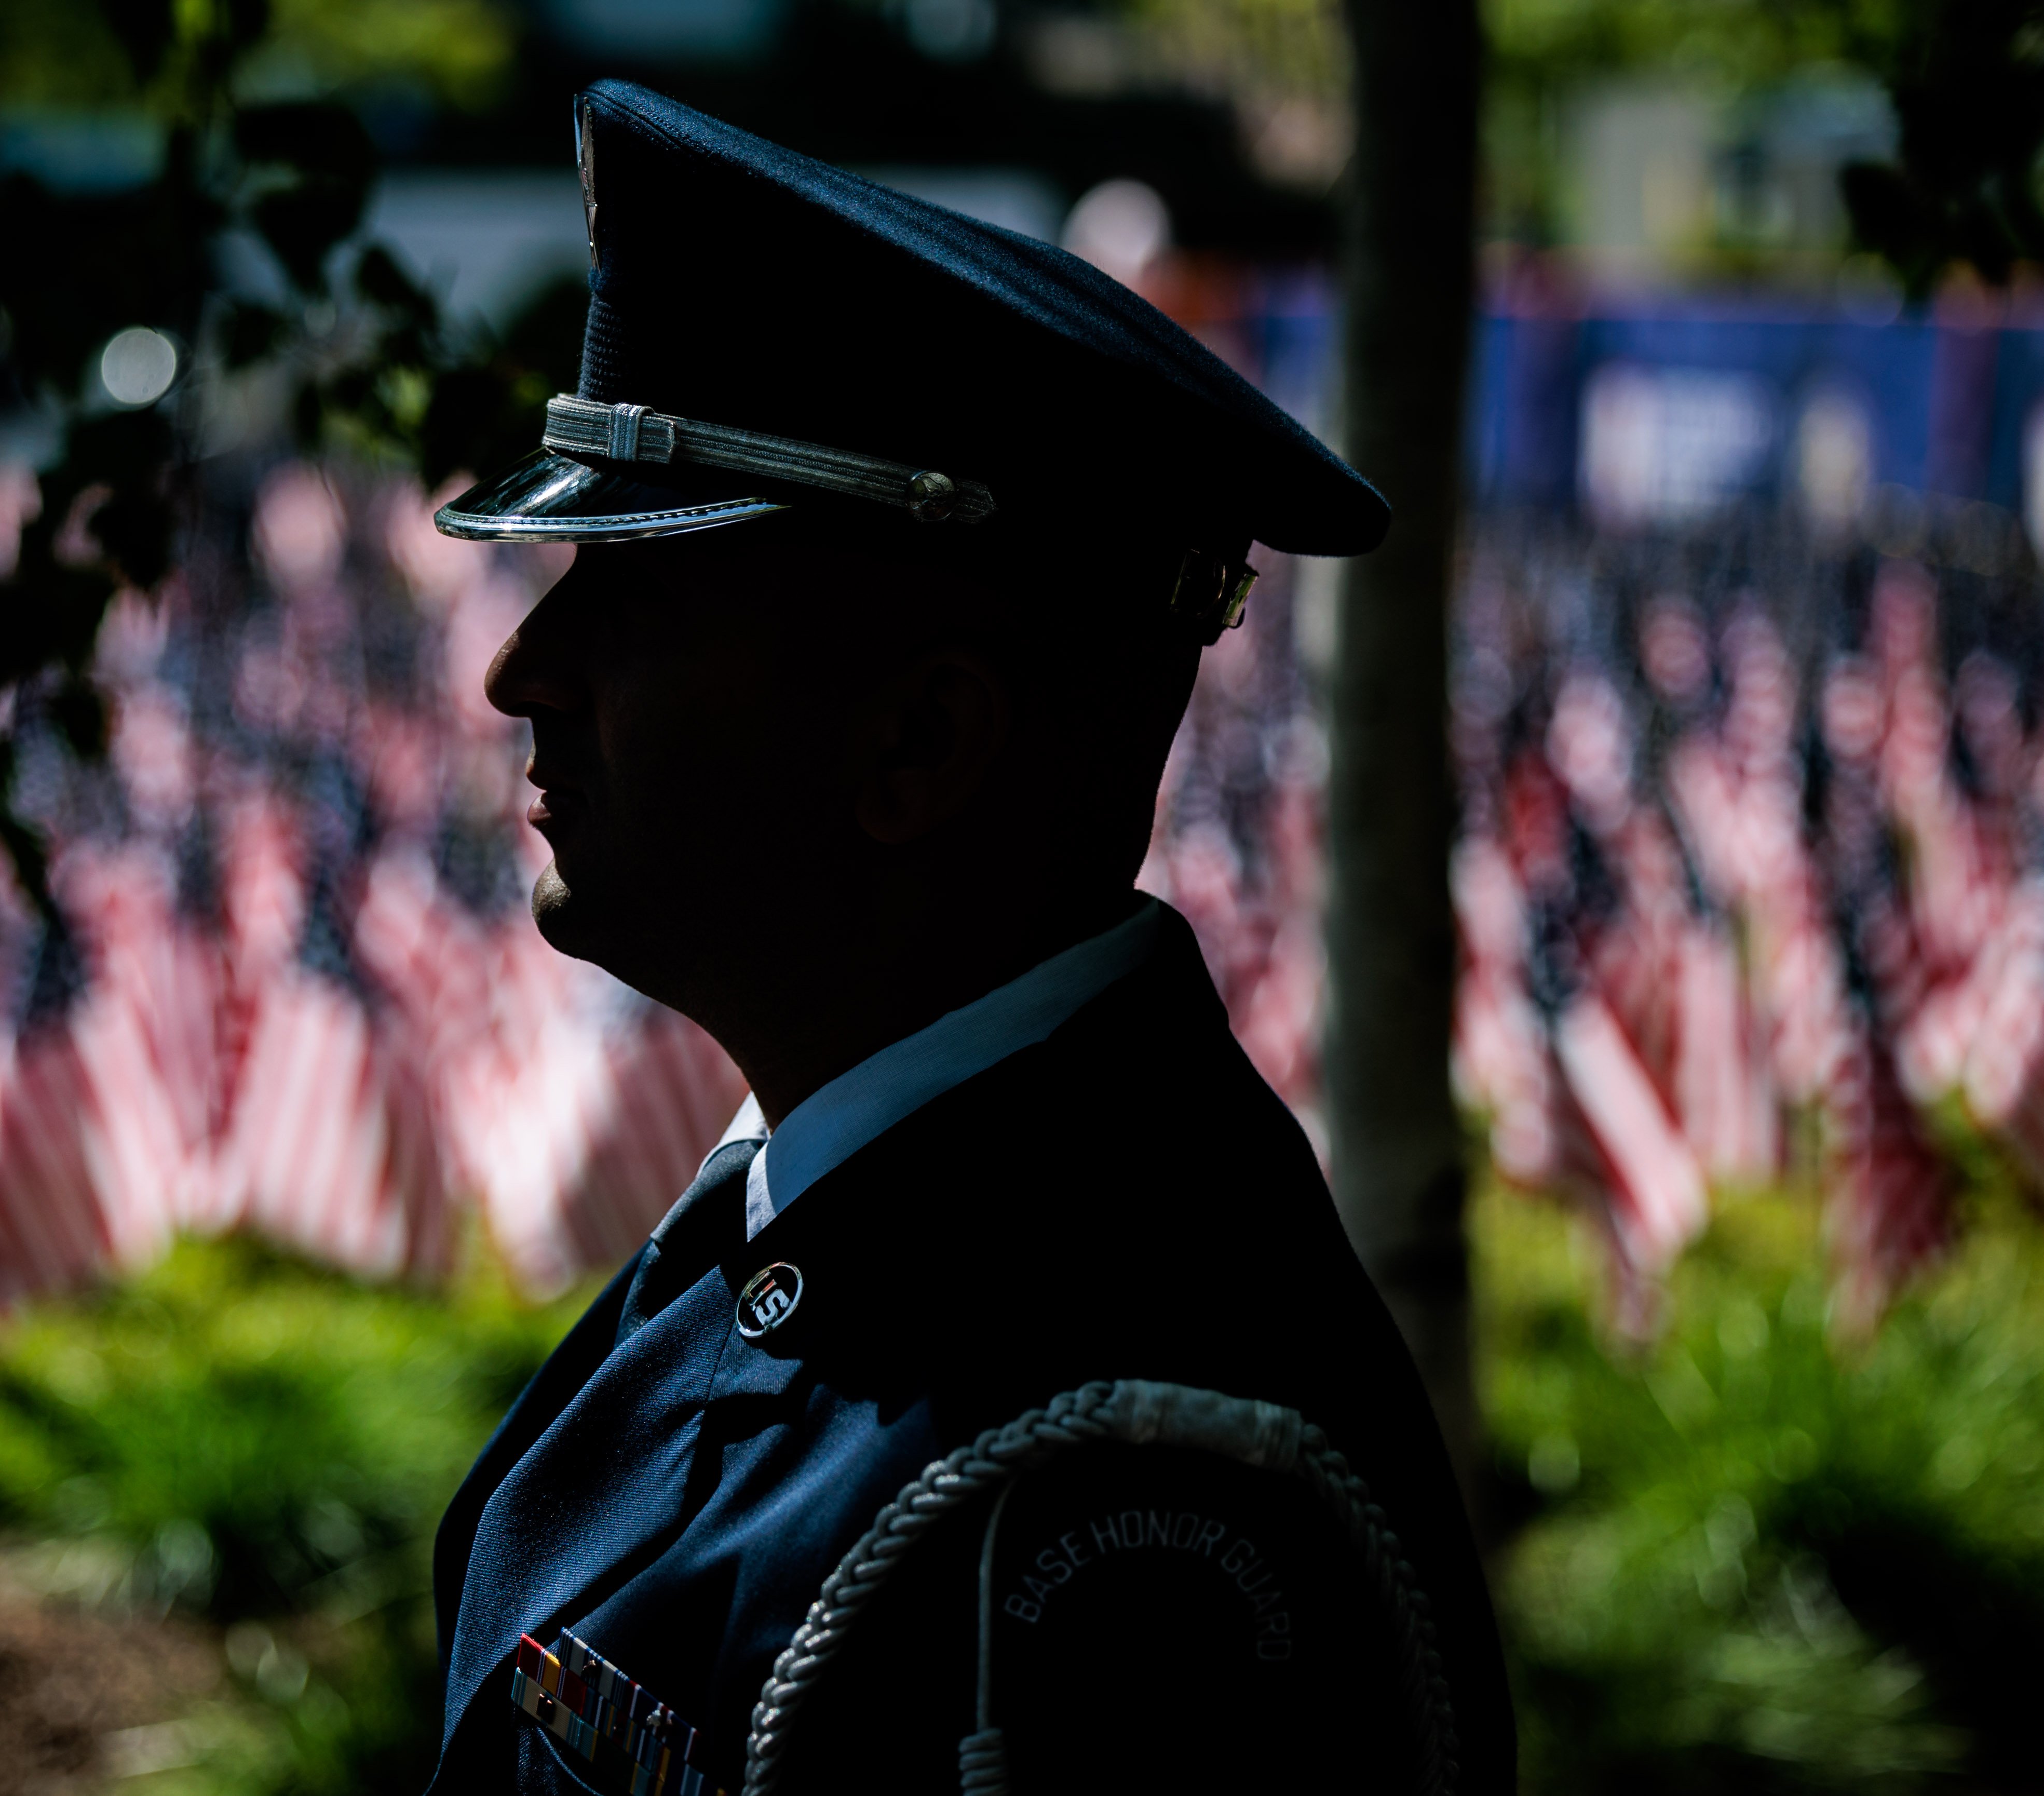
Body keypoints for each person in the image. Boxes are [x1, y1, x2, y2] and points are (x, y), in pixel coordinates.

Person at [424, 80, 1514, 1795]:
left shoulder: (1119, 1505)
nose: (520, 672)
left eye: (629, 597)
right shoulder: (878, 1200)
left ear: (921, 740)